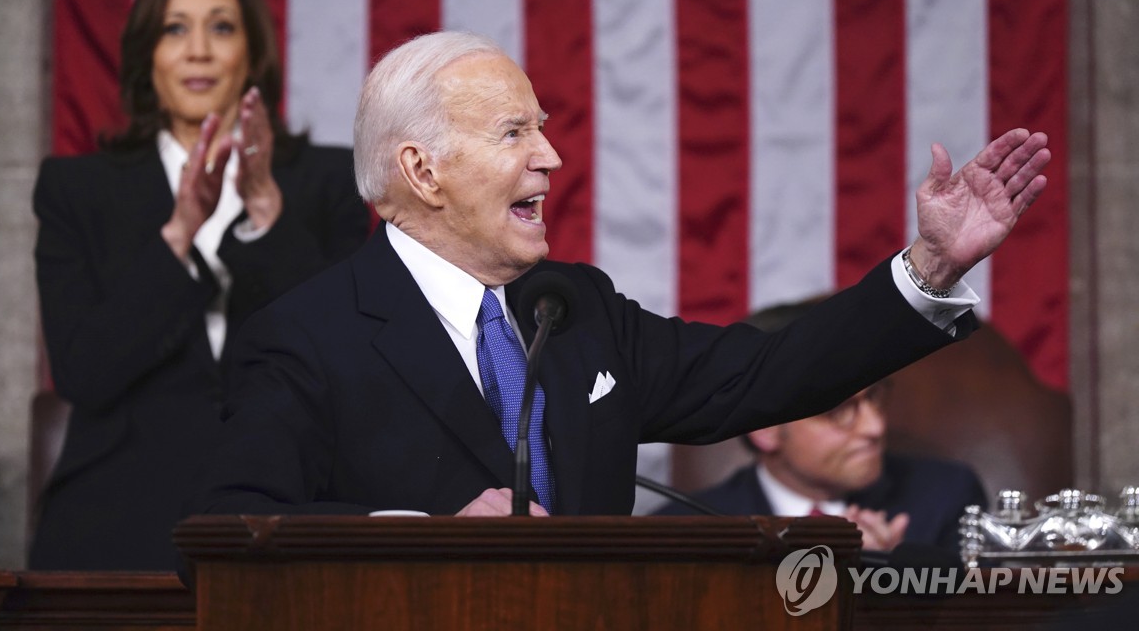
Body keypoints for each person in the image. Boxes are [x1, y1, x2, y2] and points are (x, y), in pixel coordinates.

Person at [190, 30, 1048, 520]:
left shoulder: (575, 309)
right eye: (514, 133)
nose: (552, 158)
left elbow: (768, 373)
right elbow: (232, 531)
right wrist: (417, 536)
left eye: (545, 129)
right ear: (422, 171)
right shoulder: (305, 337)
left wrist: (929, 264)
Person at [29, 0, 369, 570]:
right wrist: (178, 236)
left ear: (252, 51)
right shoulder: (77, 190)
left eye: (221, 27)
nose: (198, 51)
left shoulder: (326, 181)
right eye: (174, 28)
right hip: (115, 519)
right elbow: (84, 372)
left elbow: (349, 363)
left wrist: (267, 211)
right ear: (146, 55)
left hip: (286, 513)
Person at [653, 299, 987, 555]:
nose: (875, 427)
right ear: (765, 429)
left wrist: (887, 587)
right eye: (839, 410)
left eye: (874, 396)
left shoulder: (947, 498)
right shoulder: (682, 532)